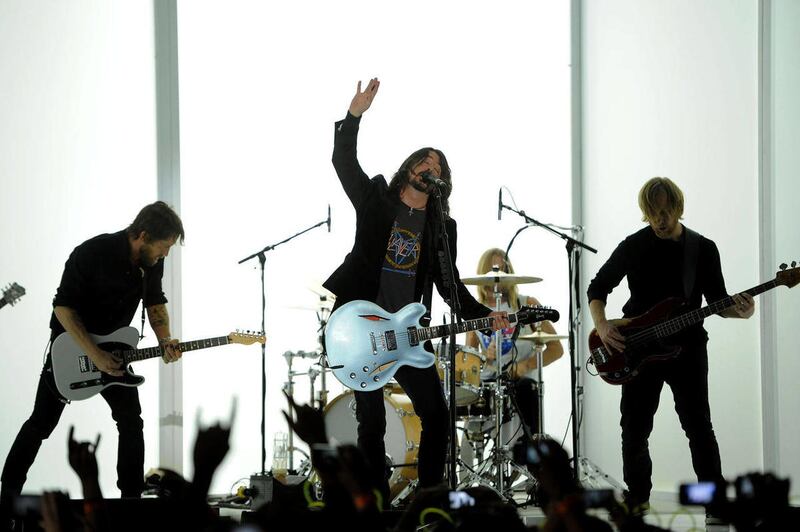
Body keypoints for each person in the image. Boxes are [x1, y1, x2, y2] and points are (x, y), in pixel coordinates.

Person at [324, 78, 509, 503]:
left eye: (440, 167)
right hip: (362, 326)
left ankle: (429, 497)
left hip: (406, 337)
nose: (434, 169)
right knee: (371, 421)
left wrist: (485, 314)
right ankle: (375, 503)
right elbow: (343, 161)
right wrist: (354, 115)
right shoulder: (376, 201)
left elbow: (451, 288)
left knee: (437, 415)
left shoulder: (443, 229)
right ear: (410, 169)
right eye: (427, 163)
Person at [586, 177, 755, 516]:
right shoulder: (633, 245)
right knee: (634, 427)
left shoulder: (702, 248)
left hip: (688, 349)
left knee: (698, 426)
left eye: (665, 212)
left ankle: (716, 504)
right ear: (644, 213)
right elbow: (597, 288)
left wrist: (742, 312)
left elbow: (718, 303)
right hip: (636, 348)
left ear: (678, 208)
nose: (660, 220)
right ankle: (638, 498)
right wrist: (602, 325)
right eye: (652, 213)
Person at [1, 201, 185, 502]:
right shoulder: (92, 252)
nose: (165, 254)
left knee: (130, 421)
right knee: (41, 423)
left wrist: (166, 340)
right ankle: (7, 500)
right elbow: (62, 307)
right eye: (164, 246)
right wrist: (94, 354)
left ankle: (130, 500)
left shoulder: (151, 263)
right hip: (71, 349)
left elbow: (154, 301)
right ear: (143, 235)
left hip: (115, 353)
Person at [464, 248, 563, 439]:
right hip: (490, 382)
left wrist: (526, 365)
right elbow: (469, 362)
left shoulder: (527, 304)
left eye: (502, 270)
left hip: (521, 381)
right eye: (492, 271)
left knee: (526, 389)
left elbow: (556, 349)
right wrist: (485, 357)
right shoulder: (474, 314)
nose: (497, 281)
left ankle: (530, 452)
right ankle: (468, 463)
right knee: (468, 402)